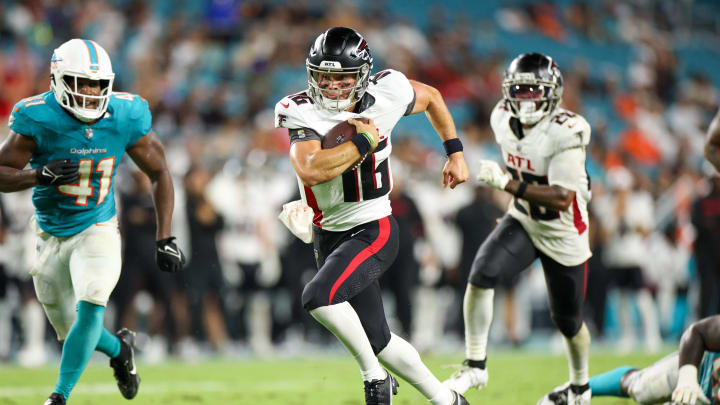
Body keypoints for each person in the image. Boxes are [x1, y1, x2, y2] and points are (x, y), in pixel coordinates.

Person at [274, 27, 469, 405]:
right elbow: (312, 169)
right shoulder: (298, 108)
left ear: (362, 76)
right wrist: (363, 142)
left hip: (372, 228)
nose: (331, 88)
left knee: (319, 297)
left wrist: (455, 152)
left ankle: (375, 380)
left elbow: (432, 98)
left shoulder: (389, 90)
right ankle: (448, 400)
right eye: (324, 78)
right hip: (328, 232)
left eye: (341, 79)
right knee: (378, 339)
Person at [0, 39, 186, 405]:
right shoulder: (37, 116)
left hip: (97, 227)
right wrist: (38, 176)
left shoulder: (126, 114)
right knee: (73, 331)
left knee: (92, 302)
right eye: (81, 82)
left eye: (97, 85)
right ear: (58, 79)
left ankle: (58, 397)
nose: (90, 92)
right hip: (49, 231)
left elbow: (159, 170)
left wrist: (165, 235)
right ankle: (120, 349)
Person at [443, 53, 593, 405]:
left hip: (563, 230)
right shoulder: (500, 117)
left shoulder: (568, 130)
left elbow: (560, 197)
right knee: (481, 273)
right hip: (524, 218)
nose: (525, 98)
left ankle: (580, 386)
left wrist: (508, 185)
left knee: (568, 321)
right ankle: (475, 364)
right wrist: (514, 193)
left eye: (533, 90)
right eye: (519, 90)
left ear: (553, 93)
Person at [537, 315, 720, 405]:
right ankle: (571, 390)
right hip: (701, 367)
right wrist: (687, 378)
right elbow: (697, 332)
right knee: (642, 388)